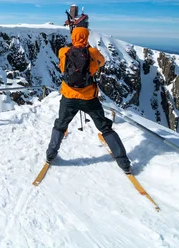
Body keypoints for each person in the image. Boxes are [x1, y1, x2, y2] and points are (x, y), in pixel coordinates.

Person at [46, 26, 132, 174]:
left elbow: (62, 69)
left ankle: (50, 154)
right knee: (105, 127)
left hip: (69, 97)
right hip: (89, 98)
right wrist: (88, 51)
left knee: (60, 124)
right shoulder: (93, 53)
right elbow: (102, 62)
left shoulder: (63, 52)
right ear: (86, 37)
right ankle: (124, 163)